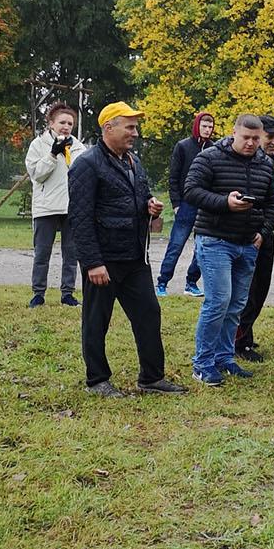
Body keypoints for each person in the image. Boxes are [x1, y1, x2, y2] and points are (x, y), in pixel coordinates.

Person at [66, 102, 185, 397]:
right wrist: (93, 262)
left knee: (149, 313)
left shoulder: (133, 161)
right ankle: (97, 381)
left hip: (134, 257)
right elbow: (79, 218)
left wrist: (151, 207)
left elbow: (141, 197)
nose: (135, 132)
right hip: (104, 260)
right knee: (96, 321)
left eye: (135, 127)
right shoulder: (87, 164)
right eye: (129, 127)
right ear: (108, 128)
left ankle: (151, 378)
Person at [183, 114, 274, 386]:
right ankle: (202, 364)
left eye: (255, 138)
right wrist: (224, 202)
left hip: (248, 243)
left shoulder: (265, 164)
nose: (251, 143)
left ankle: (225, 357)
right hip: (215, 240)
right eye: (246, 138)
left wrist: (263, 232)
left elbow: (273, 203)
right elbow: (190, 190)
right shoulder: (210, 157)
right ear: (234, 133)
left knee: (237, 304)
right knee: (218, 302)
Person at [24, 102, 85, 307]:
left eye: (70, 123)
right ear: (51, 123)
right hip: (46, 208)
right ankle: (38, 294)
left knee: (71, 254)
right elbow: (37, 175)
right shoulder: (38, 145)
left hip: (71, 208)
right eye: (62, 122)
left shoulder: (78, 147)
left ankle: (67, 293)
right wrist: (52, 154)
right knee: (42, 253)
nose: (66, 126)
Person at [234, 116, 274, 362]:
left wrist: (266, 231)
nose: (273, 141)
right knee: (247, 290)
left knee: (261, 288)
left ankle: (245, 334)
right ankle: (239, 341)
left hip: (266, 231)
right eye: (270, 136)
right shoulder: (249, 161)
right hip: (247, 233)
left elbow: (273, 200)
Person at [156, 110, 215, 297]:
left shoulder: (215, 149)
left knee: (202, 247)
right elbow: (173, 177)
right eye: (204, 126)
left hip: (206, 205)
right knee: (176, 244)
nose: (207, 129)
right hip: (186, 204)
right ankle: (162, 283)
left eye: (210, 126)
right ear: (197, 126)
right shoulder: (183, 147)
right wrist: (176, 203)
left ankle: (191, 283)